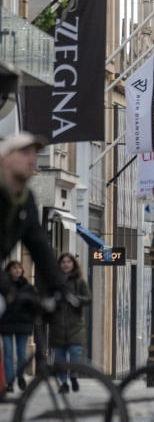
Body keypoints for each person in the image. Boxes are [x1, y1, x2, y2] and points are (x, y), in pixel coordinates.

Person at [0, 133, 67, 363]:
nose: (32, 159)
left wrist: (62, 289)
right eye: (25, 153)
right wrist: (9, 291)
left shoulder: (25, 200)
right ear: (5, 158)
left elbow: (40, 248)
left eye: (35, 154)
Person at [48, 253, 91, 393]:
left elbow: (88, 299)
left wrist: (75, 299)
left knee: (75, 355)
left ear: (73, 264)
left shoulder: (79, 282)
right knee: (59, 359)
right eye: (63, 262)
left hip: (75, 328)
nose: (66, 264)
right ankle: (64, 384)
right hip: (57, 328)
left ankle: (73, 375)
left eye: (68, 262)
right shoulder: (54, 283)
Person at [1, 261, 36, 394]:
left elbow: (33, 305)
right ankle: (9, 382)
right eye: (14, 268)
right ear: (9, 270)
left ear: (22, 271)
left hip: (23, 324)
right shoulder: (4, 286)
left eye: (19, 268)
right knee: (8, 354)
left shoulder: (27, 287)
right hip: (6, 324)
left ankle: (20, 376)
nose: (17, 270)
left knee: (22, 355)